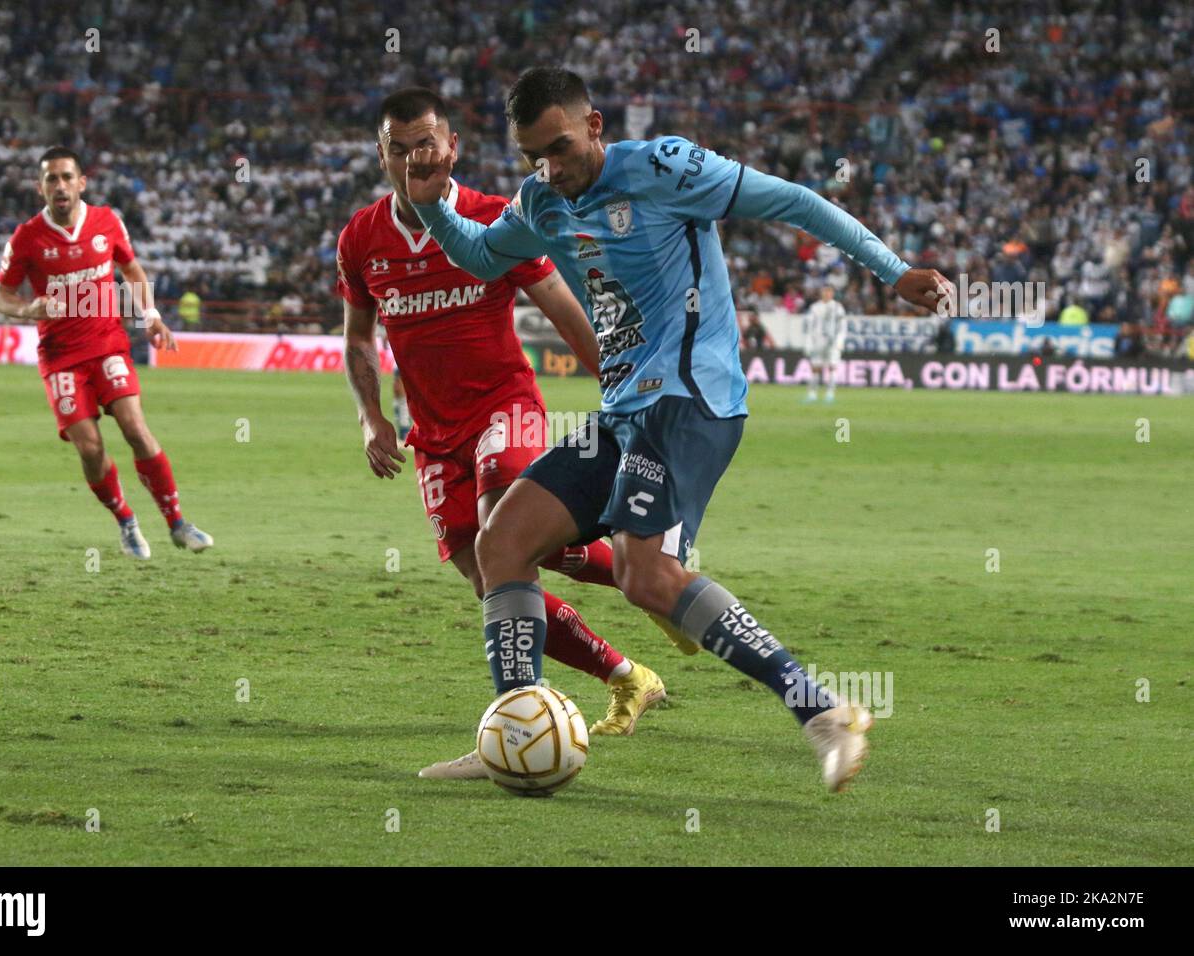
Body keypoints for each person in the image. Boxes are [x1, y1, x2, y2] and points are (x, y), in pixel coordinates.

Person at [407, 68, 949, 791]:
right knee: (501, 543)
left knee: (645, 574)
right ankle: (513, 726)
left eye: (562, 147)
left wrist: (892, 269)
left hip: (692, 399)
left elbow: (791, 201)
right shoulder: (541, 200)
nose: (552, 167)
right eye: (536, 155)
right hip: (626, 411)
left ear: (595, 125)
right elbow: (480, 255)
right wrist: (433, 204)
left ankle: (824, 712)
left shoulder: (664, 166)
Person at [335, 89, 673, 780]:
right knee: (490, 577)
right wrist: (372, 417)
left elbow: (560, 305)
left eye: (425, 144)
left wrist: (618, 392)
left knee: (503, 540)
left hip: (504, 408)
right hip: (432, 432)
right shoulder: (361, 238)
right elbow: (358, 338)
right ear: (380, 154)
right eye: (397, 148)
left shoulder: (494, 218)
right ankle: (628, 669)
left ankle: (513, 730)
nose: (411, 159)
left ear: (452, 145)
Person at [0, 147, 213, 560]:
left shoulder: (107, 221)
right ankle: (126, 521)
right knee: (91, 448)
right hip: (60, 356)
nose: (59, 185)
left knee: (135, 428)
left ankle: (178, 523)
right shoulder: (26, 238)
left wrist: (151, 315)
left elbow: (131, 270)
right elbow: (0, 296)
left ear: (82, 182)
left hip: (107, 343)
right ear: (39, 187)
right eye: (51, 179)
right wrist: (27, 309)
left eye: (66, 177)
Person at [803, 285, 847, 403]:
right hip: (818, 341)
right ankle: (812, 394)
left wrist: (840, 341)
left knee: (832, 367)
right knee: (815, 368)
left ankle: (830, 394)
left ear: (832, 293)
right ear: (821, 293)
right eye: (825, 291)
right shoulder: (814, 307)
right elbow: (809, 327)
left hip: (832, 342)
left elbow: (842, 327)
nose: (827, 294)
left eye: (829, 291)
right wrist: (808, 342)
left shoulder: (838, 307)